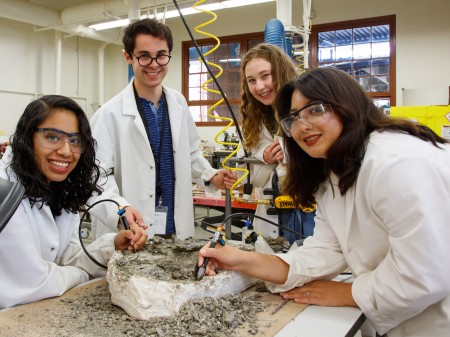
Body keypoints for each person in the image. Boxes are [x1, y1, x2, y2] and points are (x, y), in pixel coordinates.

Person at [198, 68, 450, 337]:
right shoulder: (335, 171)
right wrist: (241, 260)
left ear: (347, 105)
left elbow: (424, 274)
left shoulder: (395, 163)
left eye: (315, 110)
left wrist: (348, 293)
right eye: (293, 118)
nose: (302, 126)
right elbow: (326, 250)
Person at [88, 18, 236, 240]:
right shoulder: (108, 114)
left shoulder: (179, 103)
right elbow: (97, 176)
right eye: (144, 56)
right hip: (132, 228)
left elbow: (192, 153)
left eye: (161, 55)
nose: (154, 64)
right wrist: (120, 210)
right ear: (128, 57)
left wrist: (210, 175)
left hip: (173, 225)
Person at [0, 95, 148, 309]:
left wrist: (112, 245)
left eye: (75, 140)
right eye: (52, 137)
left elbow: (67, 257)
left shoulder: (55, 187)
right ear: (27, 137)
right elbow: (30, 282)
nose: (66, 151)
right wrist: (79, 275)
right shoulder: (6, 190)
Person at [239, 43, 315, 243]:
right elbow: (246, 159)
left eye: (266, 76)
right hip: (273, 206)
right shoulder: (256, 115)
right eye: (252, 80)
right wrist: (264, 154)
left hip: (311, 204)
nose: (260, 86)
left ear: (281, 72)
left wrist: (291, 152)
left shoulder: (307, 105)